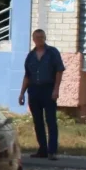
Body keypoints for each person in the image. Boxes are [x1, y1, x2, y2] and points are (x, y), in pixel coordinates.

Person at [18, 29, 64, 160]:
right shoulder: (30, 56)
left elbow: (59, 71)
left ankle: (52, 151)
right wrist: (22, 93)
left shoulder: (52, 53)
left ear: (45, 38)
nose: (39, 39)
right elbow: (27, 75)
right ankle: (42, 149)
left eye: (41, 37)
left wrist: (56, 90)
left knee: (51, 120)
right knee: (38, 122)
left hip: (48, 89)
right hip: (34, 90)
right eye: (36, 37)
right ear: (33, 39)